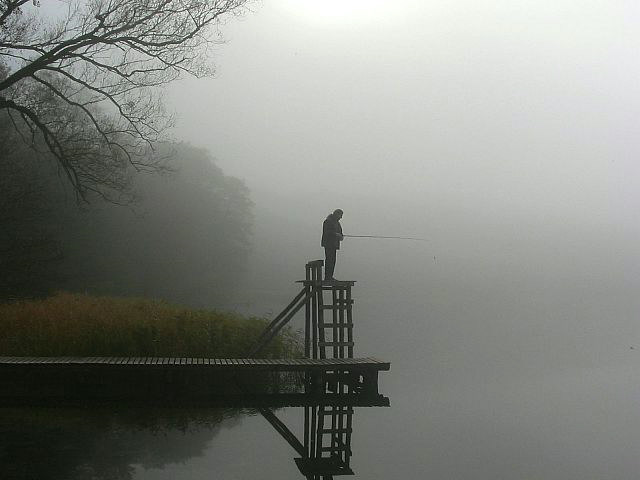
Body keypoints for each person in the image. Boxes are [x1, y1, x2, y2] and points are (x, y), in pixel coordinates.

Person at [321, 209, 344, 282]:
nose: (341, 217)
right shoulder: (327, 221)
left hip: (334, 245)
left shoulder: (337, 223)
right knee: (329, 260)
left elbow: (340, 232)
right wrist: (336, 234)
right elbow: (327, 232)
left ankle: (330, 276)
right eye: (340, 215)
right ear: (336, 214)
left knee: (333, 260)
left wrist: (341, 236)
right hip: (328, 244)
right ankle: (327, 277)